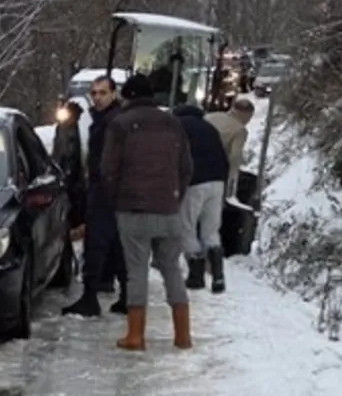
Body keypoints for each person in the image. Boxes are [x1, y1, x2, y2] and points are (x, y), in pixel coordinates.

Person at [102, 73, 195, 351]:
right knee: (172, 269)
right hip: (168, 208)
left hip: (133, 209)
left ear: (127, 96)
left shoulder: (120, 124)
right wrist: (173, 197)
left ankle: (135, 335)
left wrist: (114, 199)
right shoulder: (173, 122)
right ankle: (183, 336)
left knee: (136, 272)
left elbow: (109, 170)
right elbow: (187, 167)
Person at [63, 74, 128, 317]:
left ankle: (92, 297)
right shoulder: (102, 119)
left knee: (98, 244)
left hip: (106, 191)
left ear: (113, 94)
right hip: (107, 190)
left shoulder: (113, 121)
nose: (97, 98)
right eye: (94, 93)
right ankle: (124, 296)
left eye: (102, 93)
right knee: (114, 245)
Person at [172, 104, 231, 293]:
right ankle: (218, 277)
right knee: (211, 229)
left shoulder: (178, 126)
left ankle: (196, 276)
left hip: (194, 182)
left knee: (186, 226)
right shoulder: (209, 128)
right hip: (218, 181)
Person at [206, 98, 256, 263]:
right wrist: (231, 185)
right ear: (246, 114)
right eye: (249, 117)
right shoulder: (239, 130)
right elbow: (234, 158)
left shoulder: (211, 116)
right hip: (213, 174)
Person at [51, 100, 85, 237]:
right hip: (63, 173)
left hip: (77, 176)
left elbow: (75, 152)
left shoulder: (81, 127)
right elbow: (58, 149)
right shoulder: (62, 128)